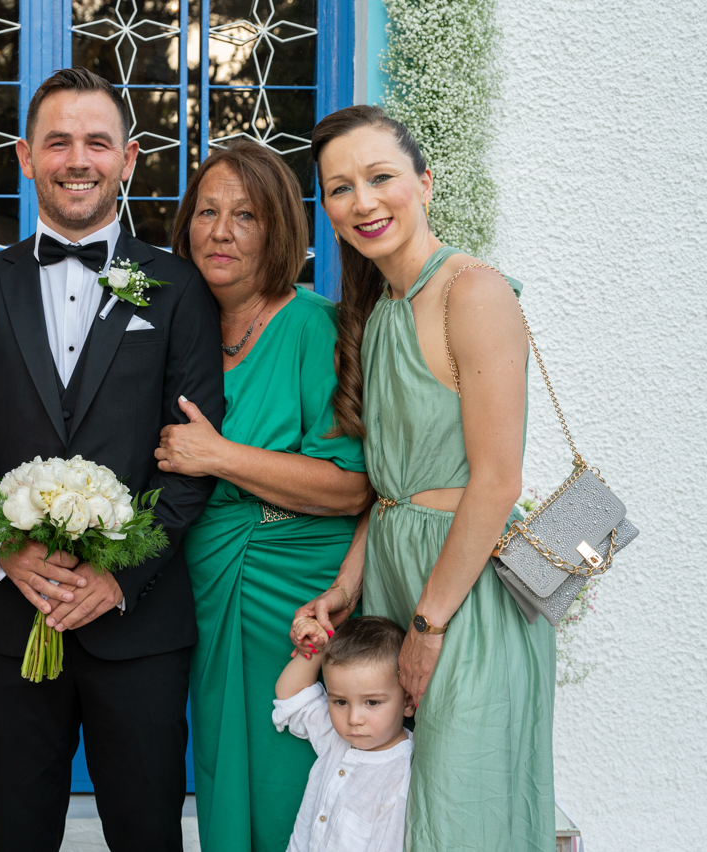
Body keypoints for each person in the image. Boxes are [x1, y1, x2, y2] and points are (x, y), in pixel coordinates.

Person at [0, 67, 224, 852]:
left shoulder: (173, 288)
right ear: (26, 157)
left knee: (146, 831)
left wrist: (119, 575)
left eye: (97, 141)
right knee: (18, 834)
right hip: (11, 620)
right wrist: (8, 549)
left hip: (139, 623)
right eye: (57, 142)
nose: (78, 159)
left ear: (129, 158)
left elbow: (191, 455)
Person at [292, 104, 556, 851]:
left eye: (381, 177)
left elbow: (497, 481)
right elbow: (390, 491)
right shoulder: (382, 310)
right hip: (397, 581)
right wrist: (345, 588)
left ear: (426, 182)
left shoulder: (473, 292)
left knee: (460, 811)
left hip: (462, 594)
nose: (364, 201)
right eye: (341, 188)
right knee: (395, 820)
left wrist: (430, 625)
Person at [157, 139, 373, 851]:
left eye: (245, 215)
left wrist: (218, 455)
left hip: (297, 595)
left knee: (292, 783)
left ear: (278, 229)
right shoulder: (173, 328)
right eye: (207, 212)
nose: (221, 232)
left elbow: (351, 487)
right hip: (207, 585)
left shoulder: (313, 327)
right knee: (224, 775)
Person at [274, 617, 414, 852]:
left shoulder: (399, 776)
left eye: (372, 702)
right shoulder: (336, 736)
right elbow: (291, 697)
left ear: (407, 702)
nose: (353, 719)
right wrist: (317, 649)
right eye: (340, 701)